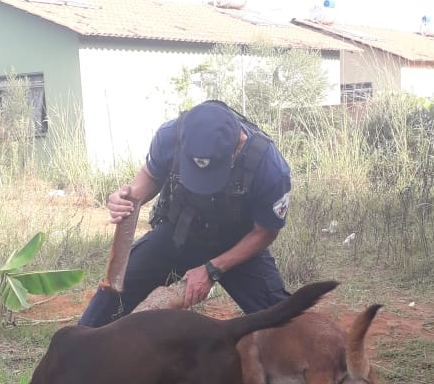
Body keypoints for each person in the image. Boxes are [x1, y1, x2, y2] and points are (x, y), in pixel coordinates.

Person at [78, 100, 291, 327]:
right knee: (110, 299)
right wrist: (131, 197)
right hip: (179, 232)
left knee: (281, 320)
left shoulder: (269, 167)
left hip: (236, 243)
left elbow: (265, 232)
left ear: (238, 144)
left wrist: (212, 270)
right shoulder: (171, 135)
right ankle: (77, 353)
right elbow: (150, 176)